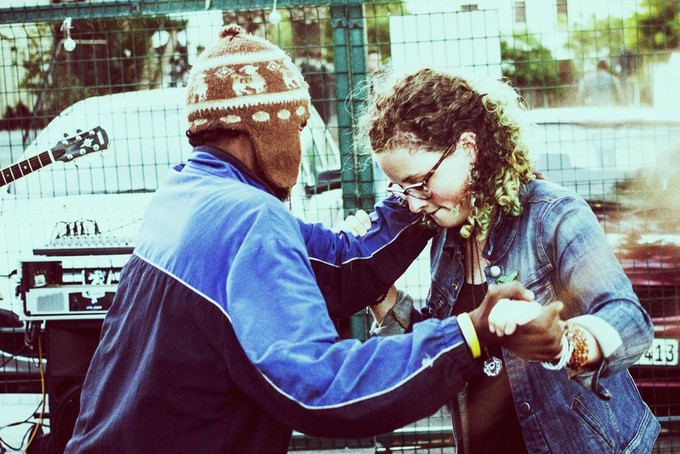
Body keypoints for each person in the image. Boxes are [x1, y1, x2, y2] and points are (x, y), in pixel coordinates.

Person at [62, 26, 564, 454]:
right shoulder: (249, 219)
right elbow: (322, 389)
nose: (301, 142)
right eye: (299, 125)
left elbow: (344, 265)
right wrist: (468, 333)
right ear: (265, 127)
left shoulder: (184, 197)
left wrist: (420, 192)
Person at [351, 66, 660, 453]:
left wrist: (566, 343)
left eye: (421, 182)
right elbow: (444, 346)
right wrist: (375, 284)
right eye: (402, 189)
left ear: (468, 148)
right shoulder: (447, 237)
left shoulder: (553, 216)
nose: (414, 202)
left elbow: (630, 320)